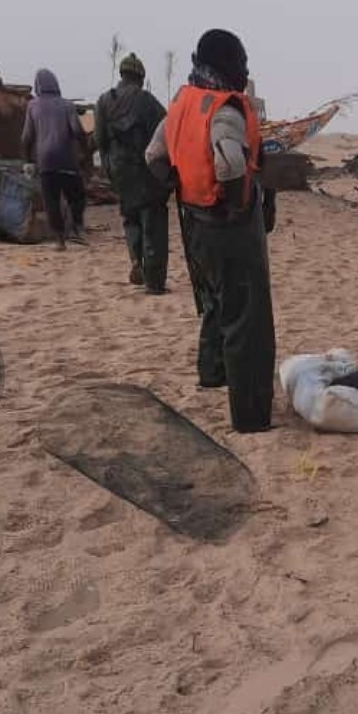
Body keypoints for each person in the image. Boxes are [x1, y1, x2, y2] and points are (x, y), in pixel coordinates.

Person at [145, 29, 276, 433]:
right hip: (226, 225)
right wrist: (235, 206)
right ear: (230, 65)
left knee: (216, 299)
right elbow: (231, 166)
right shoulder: (226, 110)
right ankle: (251, 416)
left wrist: (182, 189)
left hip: (194, 223)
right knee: (248, 318)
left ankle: (212, 373)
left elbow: (154, 156)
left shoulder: (182, 104)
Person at [95, 53, 170, 293]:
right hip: (147, 173)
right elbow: (167, 131)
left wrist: (110, 168)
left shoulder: (104, 101)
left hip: (120, 172)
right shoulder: (148, 101)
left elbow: (100, 140)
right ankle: (154, 282)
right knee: (153, 223)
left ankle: (136, 260)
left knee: (130, 219)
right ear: (140, 76)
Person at [21, 69, 88, 250]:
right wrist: (85, 152)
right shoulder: (67, 105)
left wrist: (28, 161)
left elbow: (26, 137)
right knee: (77, 197)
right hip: (67, 160)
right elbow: (78, 131)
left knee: (51, 201)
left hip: (45, 162)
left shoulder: (32, 106)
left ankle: (59, 240)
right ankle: (76, 227)